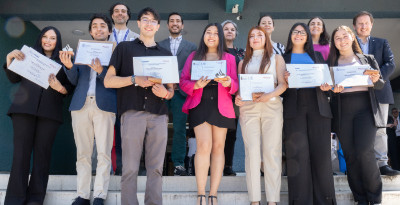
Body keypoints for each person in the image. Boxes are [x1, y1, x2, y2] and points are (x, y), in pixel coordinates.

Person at [104, 7, 174, 205]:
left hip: (159, 115)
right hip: (132, 114)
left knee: (156, 169)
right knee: (130, 168)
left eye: (153, 21)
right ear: (138, 23)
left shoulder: (166, 53)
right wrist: (134, 79)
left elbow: (171, 89)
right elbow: (109, 81)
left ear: (158, 27)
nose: (149, 24)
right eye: (145, 20)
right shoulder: (124, 48)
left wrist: (166, 93)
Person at [3, 26, 74, 205]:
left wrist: (61, 88)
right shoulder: (27, 55)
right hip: (23, 110)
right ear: (40, 38)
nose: (48, 41)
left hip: (50, 113)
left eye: (52, 38)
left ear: (58, 42)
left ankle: (35, 200)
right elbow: (13, 78)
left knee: (42, 156)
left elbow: (69, 88)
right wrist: (9, 58)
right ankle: (14, 200)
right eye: (45, 37)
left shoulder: (64, 62)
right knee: (21, 155)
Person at [59, 14, 117, 205]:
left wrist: (101, 71)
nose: (99, 29)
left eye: (103, 26)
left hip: (105, 105)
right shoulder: (80, 51)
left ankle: (99, 195)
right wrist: (69, 66)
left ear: (109, 30)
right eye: (95, 26)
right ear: (90, 31)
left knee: (103, 152)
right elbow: (74, 80)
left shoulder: (116, 53)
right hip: (80, 105)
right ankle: (83, 195)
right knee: (82, 153)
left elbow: (117, 82)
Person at [180, 23, 238, 205]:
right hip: (200, 102)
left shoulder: (229, 58)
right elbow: (183, 81)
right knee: (204, 146)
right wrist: (195, 85)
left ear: (220, 37)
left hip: (222, 103)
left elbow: (236, 84)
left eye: (215, 33)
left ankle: (213, 193)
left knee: (219, 147)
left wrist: (229, 82)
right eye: (208, 32)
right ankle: (200, 193)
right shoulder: (193, 56)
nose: (211, 36)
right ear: (203, 36)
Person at [329, 25, 384, 205]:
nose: (342, 40)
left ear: (352, 37)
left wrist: (376, 80)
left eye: (345, 36)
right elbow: (327, 90)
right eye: (337, 38)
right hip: (342, 110)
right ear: (334, 43)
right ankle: (360, 198)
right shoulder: (331, 63)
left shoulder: (367, 59)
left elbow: (380, 84)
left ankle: (374, 198)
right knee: (351, 155)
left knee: (365, 152)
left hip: (365, 110)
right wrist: (331, 89)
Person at [282, 23, 336, 205]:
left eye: (302, 32)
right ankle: (300, 201)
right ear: (290, 35)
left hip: (318, 106)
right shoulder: (283, 58)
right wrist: (284, 81)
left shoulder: (318, 56)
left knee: (321, 155)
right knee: (298, 156)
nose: (299, 35)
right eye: (295, 31)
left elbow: (327, 85)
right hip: (293, 108)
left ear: (307, 37)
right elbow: (279, 90)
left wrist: (327, 87)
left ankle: (326, 201)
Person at [235, 26, 287, 205]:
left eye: (259, 35)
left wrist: (269, 95)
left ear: (266, 38)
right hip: (249, 109)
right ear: (248, 41)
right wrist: (238, 98)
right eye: (252, 36)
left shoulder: (276, 58)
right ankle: (254, 200)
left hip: (272, 107)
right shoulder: (243, 62)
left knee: (272, 152)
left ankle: (272, 200)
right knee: (252, 154)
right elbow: (241, 89)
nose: (255, 38)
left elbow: (283, 84)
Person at [353, 11, 399, 176]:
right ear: (354, 26)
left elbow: (391, 64)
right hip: (356, 92)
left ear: (371, 25)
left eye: (366, 23)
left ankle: (382, 164)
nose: (363, 26)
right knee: (359, 129)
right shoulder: (349, 44)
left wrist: (377, 75)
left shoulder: (382, 42)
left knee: (380, 129)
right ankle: (361, 164)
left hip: (379, 90)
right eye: (360, 23)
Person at [158, 12, 197, 176]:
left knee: (180, 128)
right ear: (167, 25)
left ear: (182, 25)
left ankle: (179, 164)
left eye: (178, 21)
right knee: (157, 127)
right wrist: (167, 79)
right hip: (160, 91)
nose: (175, 23)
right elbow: (156, 65)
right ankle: (156, 163)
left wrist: (175, 78)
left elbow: (193, 67)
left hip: (181, 92)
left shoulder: (192, 47)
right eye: (171, 21)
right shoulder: (158, 45)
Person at [108, 1, 140, 176]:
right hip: (106, 86)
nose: (120, 14)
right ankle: (106, 168)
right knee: (106, 130)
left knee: (125, 131)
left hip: (128, 88)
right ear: (112, 15)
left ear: (128, 16)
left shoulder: (137, 37)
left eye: (123, 11)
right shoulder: (104, 36)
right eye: (116, 11)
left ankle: (122, 168)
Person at [221, 19, 244, 176]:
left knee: (231, 133)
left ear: (236, 33)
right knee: (215, 133)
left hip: (234, 97)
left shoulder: (241, 53)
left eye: (232, 29)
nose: (229, 31)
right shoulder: (214, 51)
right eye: (226, 29)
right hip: (216, 97)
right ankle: (212, 166)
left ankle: (227, 165)